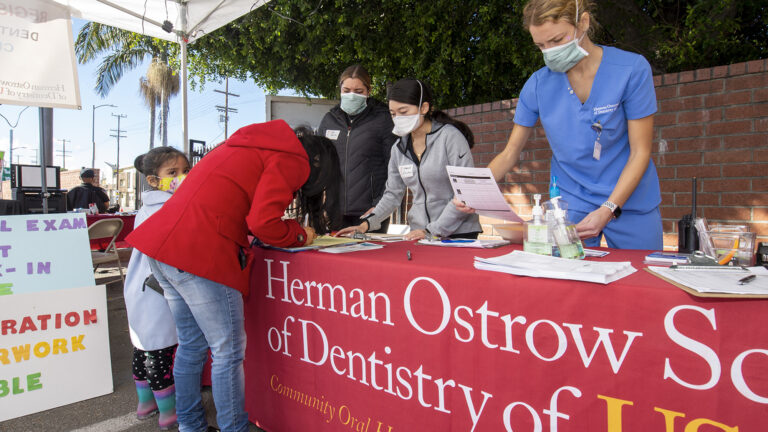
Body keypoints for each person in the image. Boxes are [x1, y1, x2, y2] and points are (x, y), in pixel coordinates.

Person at [126, 120, 341, 432]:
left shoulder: (248, 144)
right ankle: (233, 428)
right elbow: (263, 223)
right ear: (318, 162)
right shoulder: (292, 157)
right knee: (227, 351)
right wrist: (300, 235)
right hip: (201, 253)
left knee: (191, 345)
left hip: (163, 247)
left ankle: (190, 425)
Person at [463, 0, 662, 249]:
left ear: (584, 23)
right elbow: (510, 152)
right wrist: (473, 192)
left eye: (557, 40)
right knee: (570, 279)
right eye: (541, 45)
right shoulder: (537, 85)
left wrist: (609, 208)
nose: (549, 51)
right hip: (570, 204)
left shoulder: (631, 69)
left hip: (630, 202)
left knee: (641, 281)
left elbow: (640, 152)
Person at [337, 79, 481, 240]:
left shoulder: (450, 138)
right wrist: (365, 225)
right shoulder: (399, 148)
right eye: (393, 114)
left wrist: (432, 230)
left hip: (458, 233)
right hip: (419, 233)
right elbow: (392, 194)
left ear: (424, 108)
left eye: (403, 112)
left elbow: (464, 193)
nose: (398, 118)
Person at [124, 147, 190, 430]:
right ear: (153, 180)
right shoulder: (166, 207)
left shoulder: (147, 206)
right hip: (156, 290)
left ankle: (145, 404)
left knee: (143, 349)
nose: (182, 177)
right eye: (172, 173)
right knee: (160, 352)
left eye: (185, 170)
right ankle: (168, 412)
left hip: (140, 287)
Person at [317, 64, 396, 233]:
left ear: (369, 91)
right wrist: (322, 203)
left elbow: (393, 167)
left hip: (369, 213)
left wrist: (379, 206)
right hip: (334, 211)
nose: (351, 95)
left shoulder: (383, 119)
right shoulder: (329, 120)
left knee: (369, 258)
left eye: (358, 91)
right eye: (346, 90)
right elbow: (320, 164)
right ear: (340, 90)